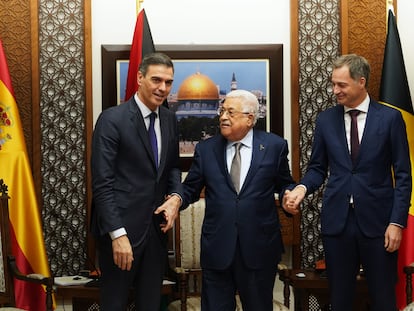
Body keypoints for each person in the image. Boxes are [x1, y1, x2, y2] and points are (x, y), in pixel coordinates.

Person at [284, 54, 412, 311]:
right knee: (340, 299)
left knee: (383, 297)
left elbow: (403, 175)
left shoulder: (389, 119)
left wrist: (396, 222)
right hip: (337, 223)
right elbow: (317, 169)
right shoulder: (326, 120)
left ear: (361, 82)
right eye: (333, 84)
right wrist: (301, 188)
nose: (335, 90)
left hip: (379, 224)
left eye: (341, 85)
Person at [181, 89, 295, 311]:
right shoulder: (206, 149)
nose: (223, 117)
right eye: (222, 111)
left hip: (259, 249)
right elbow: (190, 189)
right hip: (217, 249)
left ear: (250, 118)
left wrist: (289, 196)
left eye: (230, 113)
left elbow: (285, 184)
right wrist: (175, 199)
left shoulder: (274, 146)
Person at [90, 52, 183, 311]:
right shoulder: (112, 120)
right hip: (120, 235)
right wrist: (117, 235)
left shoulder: (169, 119)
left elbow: (173, 168)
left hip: (156, 233)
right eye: (156, 80)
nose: (162, 88)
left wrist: (176, 197)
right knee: (115, 305)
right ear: (140, 78)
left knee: (151, 305)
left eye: (168, 82)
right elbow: (102, 183)